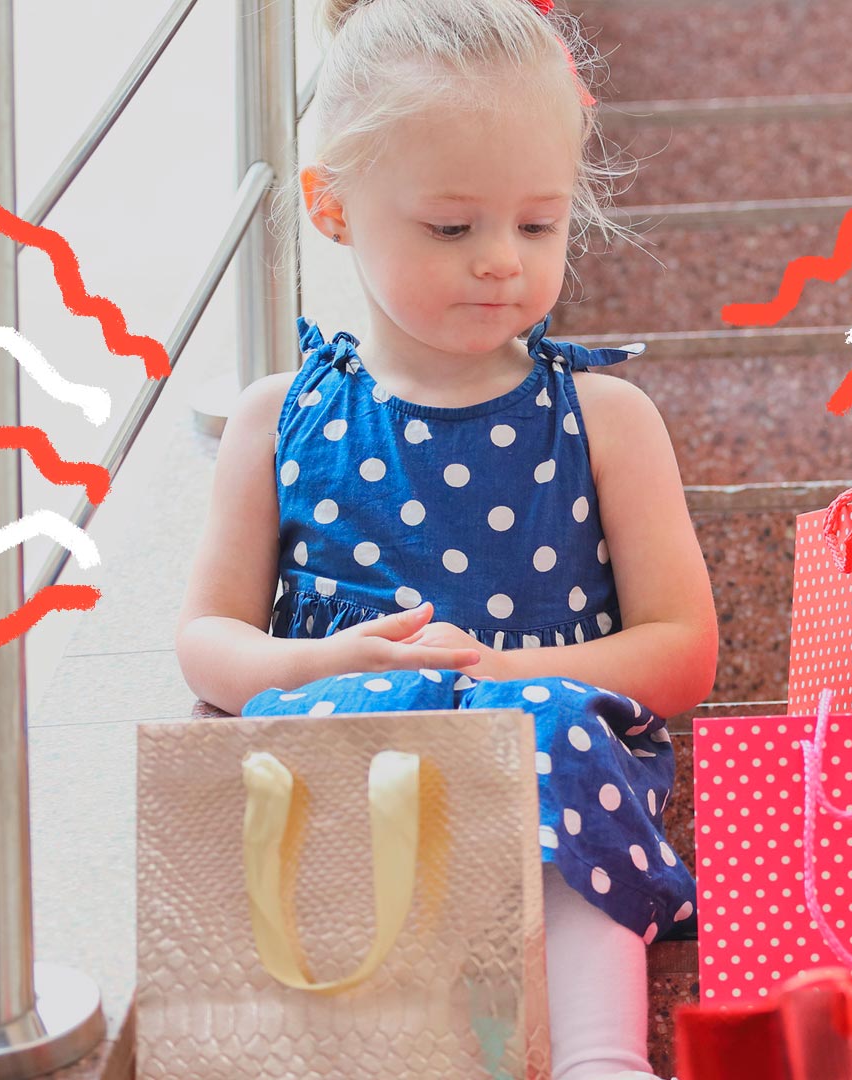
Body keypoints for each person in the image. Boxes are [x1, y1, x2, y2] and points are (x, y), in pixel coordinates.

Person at [171, 1, 717, 1076]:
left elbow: (682, 653)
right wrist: (336, 661)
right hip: (348, 743)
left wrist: (507, 672)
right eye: (453, 228)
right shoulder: (277, 419)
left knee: (542, 733)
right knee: (348, 742)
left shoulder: (606, 420)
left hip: (550, 755)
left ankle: (601, 1055)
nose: (502, 263)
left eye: (539, 224)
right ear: (332, 207)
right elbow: (207, 642)